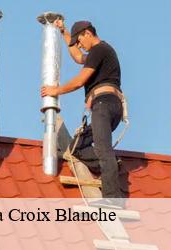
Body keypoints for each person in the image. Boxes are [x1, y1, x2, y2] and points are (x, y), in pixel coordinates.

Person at [40, 20, 128, 200]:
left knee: (103, 149)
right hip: (105, 106)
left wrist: (55, 90)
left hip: (105, 104)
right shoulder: (96, 53)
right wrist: (65, 33)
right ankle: (112, 165)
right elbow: (77, 56)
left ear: (88, 33)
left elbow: (80, 81)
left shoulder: (100, 49)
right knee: (75, 148)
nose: (79, 45)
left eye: (79, 40)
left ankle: (113, 199)